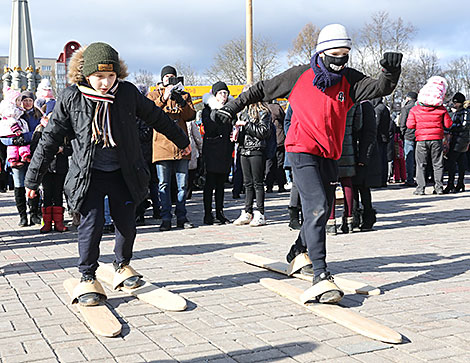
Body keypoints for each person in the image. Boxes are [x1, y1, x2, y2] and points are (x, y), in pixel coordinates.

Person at [215, 23, 402, 303]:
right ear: (323, 52)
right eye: (336, 54)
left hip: (329, 153)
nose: (341, 61)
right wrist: (231, 107)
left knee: (323, 205)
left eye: (345, 54)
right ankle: (321, 275)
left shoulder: (349, 80)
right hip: (301, 148)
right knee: (318, 208)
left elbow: (379, 88)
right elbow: (260, 90)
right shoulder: (300, 74)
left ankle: (296, 252)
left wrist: (390, 72)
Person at [24, 42, 190, 306]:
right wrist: (32, 179)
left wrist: (181, 140)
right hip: (88, 174)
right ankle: (88, 276)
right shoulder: (71, 96)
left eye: (111, 76)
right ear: (85, 74)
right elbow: (50, 138)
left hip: (123, 171)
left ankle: (122, 266)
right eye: (99, 76)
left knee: (127, 223)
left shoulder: (127, 93)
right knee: (92, 225)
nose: (105, 83)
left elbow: (156, 117)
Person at [148, 66, 196, 231]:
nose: (169, 79)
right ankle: (166, 218)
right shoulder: (154, 94)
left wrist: (181, 101)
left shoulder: (184, 94)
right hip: (162, 145)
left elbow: (190, 116)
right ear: (162, 79)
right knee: (164, 185)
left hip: (181, 146)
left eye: (172, 76)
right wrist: (164, 97)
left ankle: (182, 217)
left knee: (182, 185)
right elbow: (149, 112)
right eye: (167, 76)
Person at [1, 90, 42, 226]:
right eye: (24, 100)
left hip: (33, 153)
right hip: (16, 155)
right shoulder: (12, 114)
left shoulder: (37, 115)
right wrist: (13, 142)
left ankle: (34, 213)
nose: (27, 103)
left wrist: (25, 137)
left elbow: (39, 132)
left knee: (33, 184)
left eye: (30, 100)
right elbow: (3, 136)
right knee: (19, 185)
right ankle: (22, 216)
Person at [233, 86, 271, 227]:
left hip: (256, 149)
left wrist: (246, 125)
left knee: (258, 182)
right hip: (244, 149)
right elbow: (243, 130)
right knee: (247, 183)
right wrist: (237, 134)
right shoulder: (243, 112)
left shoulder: (263, 111)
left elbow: (263, 132)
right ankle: (247, 211)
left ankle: (260, 213)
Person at [406, 76, 452, 195]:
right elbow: (448, 124)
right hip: (437, 139)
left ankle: (420, 189)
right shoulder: (441, 109)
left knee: (421, 164)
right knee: (438, 164)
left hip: (421, 139)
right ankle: (439, 188)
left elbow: (410, 125)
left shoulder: (415, 110)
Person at [30, 101, 71, 233]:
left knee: (58, 194)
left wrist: (62, 150)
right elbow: (34, 149)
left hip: (60, 167)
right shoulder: (40, 129)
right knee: (47, 194)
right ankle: (47, 222)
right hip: (46, 168)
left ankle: (59, 222)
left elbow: (72, 148)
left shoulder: (64, 129)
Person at [326, 103, 362, 235]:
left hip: (331, 143)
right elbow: (358, 125)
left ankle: (331, 222)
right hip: (347, 144)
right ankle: (349, 221)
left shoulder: (329, 97)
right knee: (347, 182)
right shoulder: (353, 100)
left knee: (331, 184)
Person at [201, 81, 234, 225]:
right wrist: (218, 113)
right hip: (212, 150)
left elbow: (232, 125)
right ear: (215, 94)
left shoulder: (231, 109)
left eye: (226, 93)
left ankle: (220, 213)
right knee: (210, 184)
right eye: (221, 93)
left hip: (225, 149)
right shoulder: (208, 109)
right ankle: (208, 214)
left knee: (221, 184)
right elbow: (210, 127)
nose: (224, 96)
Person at [444, 92, 470, 193]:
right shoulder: (461, 112)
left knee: (452, 162)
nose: (454, 104)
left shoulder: (464, 113)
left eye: (456, 103)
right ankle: (460, 183)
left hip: (459, 139)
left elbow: (464, 126)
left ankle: (451, 183)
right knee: (461, 162)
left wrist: (451, 127)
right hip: (462, 140)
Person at [284, 105, 302, 230]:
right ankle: (293, 216)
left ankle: (306, 216)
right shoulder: (294, 102)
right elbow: (287, 122)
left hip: (311, 147)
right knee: (297, 183)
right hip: (296, 146)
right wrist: (293, 136)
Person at [265, 101, 287, 193]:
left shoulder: (264, 108)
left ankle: (269, 186)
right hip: (280, 139)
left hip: (269, 140)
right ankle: (281, 185)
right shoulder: (277, 108)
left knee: (269, 163)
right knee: (279, 163)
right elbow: (284, 119)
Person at [371, 97, 391, 187]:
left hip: (378, 138)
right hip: (384, 137)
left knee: (379, 161)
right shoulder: (384, 108)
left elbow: (376, 124)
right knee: (383, 160)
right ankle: (383, 180)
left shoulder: (378, 109)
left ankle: (379, 180)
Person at [399, 91, 418, 186]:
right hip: (419, 135)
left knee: (409, 158)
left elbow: (402, 123)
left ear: (408, 98)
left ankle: (409, 179)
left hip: (409, 135)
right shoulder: (420, 107)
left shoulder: (405, 108)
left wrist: (402, 133)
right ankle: (420, 179)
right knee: (419, 159)